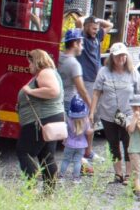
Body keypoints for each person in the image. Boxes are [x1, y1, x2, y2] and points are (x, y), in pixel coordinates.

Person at [90, 42, 140, 185]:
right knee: (113, 144)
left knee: (128, 143)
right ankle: (118, 174)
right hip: (108, 114)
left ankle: (128, 174)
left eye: (123, 55)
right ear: (112, 57)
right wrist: (92, 111)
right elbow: (96, 93)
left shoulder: (133, 72)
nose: (121, 58)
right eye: (118, 56)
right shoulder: (103, 72)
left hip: (128, 115)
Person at [16, 49, 64, 190]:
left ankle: (31, 189)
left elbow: (53, 91)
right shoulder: (51, 72)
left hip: (40, 120)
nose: (28, 66)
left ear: (36, 61)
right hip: (50, 119)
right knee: (46, 156)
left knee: (24, 152)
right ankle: (49, 192)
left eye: (30, 62)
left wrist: (30, 91)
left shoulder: (45, 73)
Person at [76, 15, 113, 160]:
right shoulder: (81, 38)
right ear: (86, 27)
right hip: (86, 81)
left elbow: (109, 25)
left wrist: (97, 20)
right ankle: (83, 151)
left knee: (94, 117)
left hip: (97, 81)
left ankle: (88, 151)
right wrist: (86, 17)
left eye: (96, 29)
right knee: (86, 117)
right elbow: (78, 21)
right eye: (92, 28)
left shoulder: (97, 35)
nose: (94, 31)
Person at [58, 96, 89, 182]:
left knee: (65, 160)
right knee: (78, 161)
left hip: (69, 144)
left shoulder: (69, 120)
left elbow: (65, 131)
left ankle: (61, 177)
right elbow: (88, 132)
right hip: (81, 145)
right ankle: (76, 178)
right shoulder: (86, 121)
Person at [59, 28, 91, 109]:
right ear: (75, 44)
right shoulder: (74, 64)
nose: (82, 48)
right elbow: (82, 90)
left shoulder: (58, 56)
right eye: (81, 44)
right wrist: (91, 107)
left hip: (58, 100)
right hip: (69, 103)